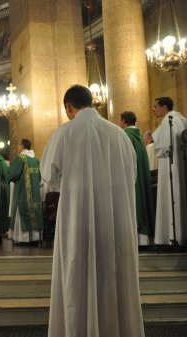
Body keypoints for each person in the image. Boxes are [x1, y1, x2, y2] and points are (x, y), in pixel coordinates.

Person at [41, 85, 144, 337]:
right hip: (115, 219)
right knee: (113, 274)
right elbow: (131, 176)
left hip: (79, 220)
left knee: (78, 274)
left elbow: (48, 175)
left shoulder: (65, 132)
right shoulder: (120, 136)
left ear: (68, 107)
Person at [151, 96, 187, 245]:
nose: (153, 110)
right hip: (178, 166)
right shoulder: (179, 118)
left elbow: (161, 148)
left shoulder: (168, 121)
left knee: (169, 199)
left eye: (155, 106)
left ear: (164, 107)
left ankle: (170, 236)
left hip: (169, 167)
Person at [120, 111, 155, 246]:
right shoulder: (139, 136)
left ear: (123, 121)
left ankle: (135, 241)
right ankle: (143, 241)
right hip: (142, 177)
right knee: (142, 204)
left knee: (135, 205)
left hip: (132, 180)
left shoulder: (126, 136)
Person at [8, 139, 43, 244]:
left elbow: (13, 173)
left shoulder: (21, 158)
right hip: (35, 193)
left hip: (23, 192)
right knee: (34, 212)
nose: (18, 147)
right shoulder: (36, 160)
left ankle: (23, 239)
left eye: (19, 145)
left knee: (23, 211)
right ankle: (34, 239)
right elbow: (40, 176)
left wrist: (9, 177)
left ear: (22, 146)